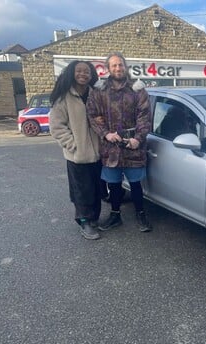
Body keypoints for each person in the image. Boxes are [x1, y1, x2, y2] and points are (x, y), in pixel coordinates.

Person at [86, 52, 153, 232]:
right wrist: (106, 134)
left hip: (133, 145)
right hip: (110, 146)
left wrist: (138, 139)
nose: (118, 68)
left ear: (126, 67)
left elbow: (145, 116)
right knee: (113, 184)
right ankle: (115, 215)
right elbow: (92, 115)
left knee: (135, 183)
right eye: (114, 65)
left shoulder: (137, 89)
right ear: (108, 68)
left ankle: (140, 214)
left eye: (120, 65)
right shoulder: (99, 91)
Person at [49, 60, 102, 240]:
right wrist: (74, 145)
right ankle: (84, 221)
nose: (83, 74)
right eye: (79, 71)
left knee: (96, 188)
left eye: (86, 71)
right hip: (77, 156)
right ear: (72, 73)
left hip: (98, 154)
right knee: (81, 189)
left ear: (91, 74)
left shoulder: (96, 94)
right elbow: (56, 127)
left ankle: (94, 218)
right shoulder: (64, 97)